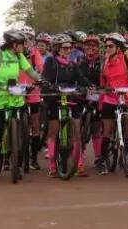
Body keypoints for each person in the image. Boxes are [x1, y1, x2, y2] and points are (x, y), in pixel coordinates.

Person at [0, 29, 41, 183]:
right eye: (22, 44)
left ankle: (16, 166)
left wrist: (40, 80)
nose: (24, 47)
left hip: (15, 98)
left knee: (18, 135)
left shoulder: (19, 56)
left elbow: (30, 71)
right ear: (13, 45)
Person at [42, 34, 94, 178]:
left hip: (70, 97)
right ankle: (52, 165)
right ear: (57, 49)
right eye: (65, 48)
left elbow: (81, 78)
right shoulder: (50, 62)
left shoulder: (72, 64)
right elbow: (45, 78)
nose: (68, 50)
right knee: (53, 130)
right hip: (54, 98)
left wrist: (90, 86)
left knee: (76, 129)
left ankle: (80, 164)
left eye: (70, 48)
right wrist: (48, 86)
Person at [98, 32, 128, 175]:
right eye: (105, 46)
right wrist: (101, 100)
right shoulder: (105, 62)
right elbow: (102, 83)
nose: (107, 49)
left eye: (110, 46)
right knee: (106, 130)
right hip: (109, 98)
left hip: (127, 98)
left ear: (118, 47)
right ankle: (102, 160)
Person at [22, 32, 47, 170]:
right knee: (15, 123)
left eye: (30, 39)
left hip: (33, 92)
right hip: (17, 93)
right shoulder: (15, 54)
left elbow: (42, 69)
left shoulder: (35, 54)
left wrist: (41, 81)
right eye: (24, 39)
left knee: (35, 125)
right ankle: (9, 155)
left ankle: (34, 158)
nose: (27, 42)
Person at [80, 34, 105, 171]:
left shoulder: (103, 62)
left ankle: (99, 159)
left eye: (93, 45)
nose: (90, 48)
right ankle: (79, 158)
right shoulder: (79, 61)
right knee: (78, 128)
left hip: (98, 96)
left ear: (98, 48)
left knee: (96, 128)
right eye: (88, 45)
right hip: (81, 96)